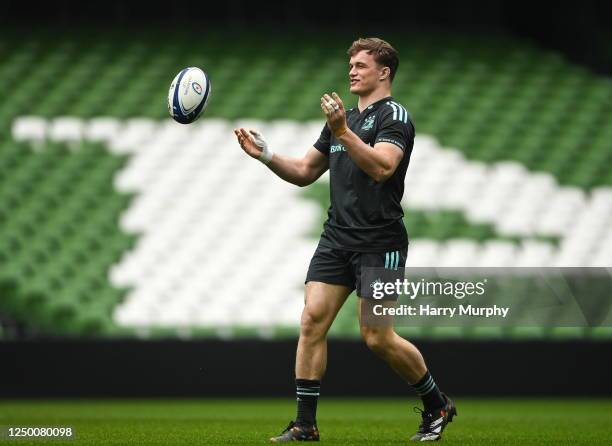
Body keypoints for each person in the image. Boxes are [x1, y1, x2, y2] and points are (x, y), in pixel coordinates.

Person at [234, 37, 456, 442]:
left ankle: (437, 403)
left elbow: (384, 167)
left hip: (380, 242)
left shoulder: (394, 116)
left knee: (377, 337)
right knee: (311, 321)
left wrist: (342, 132)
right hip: (337, 238)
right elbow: (304, 171)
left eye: (361, 65)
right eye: (350, 64)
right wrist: (266, 156)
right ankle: (305, 425)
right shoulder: (342, 121)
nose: (352, 70)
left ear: (384, 72)